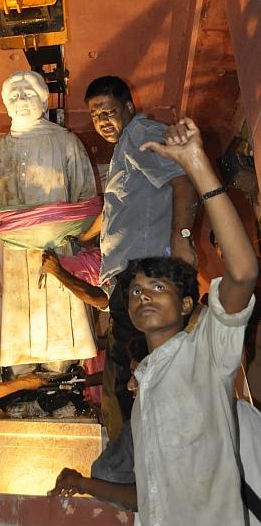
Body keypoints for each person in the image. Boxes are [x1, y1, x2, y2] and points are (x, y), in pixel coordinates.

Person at [52, 117, 261, 526]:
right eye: (138, 290)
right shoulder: (144, 390)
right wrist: (84, 483)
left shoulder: (205, 352)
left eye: (159, 288)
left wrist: (196, 166)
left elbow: (243, 273)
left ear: (189, 303)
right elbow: (150, 494)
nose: (143, 295)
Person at [83, 76, 197, 440]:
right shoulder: (124, 149)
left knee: (121, 376)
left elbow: (183, 177)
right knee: (135, 368)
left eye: (109, 110)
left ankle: (127, 463)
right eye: (95, 114)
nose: (101, 120)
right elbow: (118, 209)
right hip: (129, 275)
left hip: (142, 274)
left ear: (129, 107)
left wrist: (182, 237)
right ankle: (138, 452)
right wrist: (80, 234)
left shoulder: (139, 133)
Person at [0, 70, 98, 371]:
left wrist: (81, 246)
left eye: (27, 93)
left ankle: (61, 373)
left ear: (43, 100)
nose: (20, 100)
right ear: (5, 104)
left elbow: (88, 198)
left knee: (58, 317)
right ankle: (20, 376)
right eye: (13, 95)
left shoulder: (66, 143)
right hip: (9, 253)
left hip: (57, 249)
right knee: (13, 320)